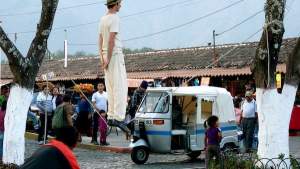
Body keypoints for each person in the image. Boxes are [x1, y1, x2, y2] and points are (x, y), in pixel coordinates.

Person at [99, 0, 129, 131]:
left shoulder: (103, 19)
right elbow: (111, 40)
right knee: (120, 85)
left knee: (110, 85)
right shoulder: (115, 18)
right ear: (115, 4)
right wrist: (109, 58)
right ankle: (118, 117)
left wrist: (102, 58)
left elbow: (100, 40)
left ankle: (111, 115)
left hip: (105, 55)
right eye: (120, 3)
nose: (121, 6)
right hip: (114, 54)